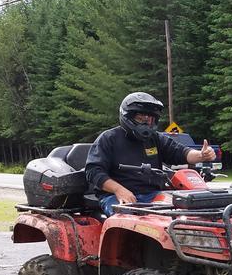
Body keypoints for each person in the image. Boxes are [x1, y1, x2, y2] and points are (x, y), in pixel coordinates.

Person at [85, 92, 215, 215]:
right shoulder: (108, 138)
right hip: (115, 196)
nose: (146, 121)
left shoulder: (155, 138)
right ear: (128, 116)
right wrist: (118, 190)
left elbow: (180, 152)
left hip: (153, 194)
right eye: (141, 117)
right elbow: (93, 171)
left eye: (150, 118)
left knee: (183, 213)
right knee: (128, 220)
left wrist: (200, 155)